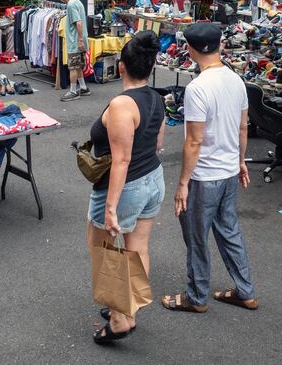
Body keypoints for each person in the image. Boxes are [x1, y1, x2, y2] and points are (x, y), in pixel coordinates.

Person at [162, 22, 258, 314]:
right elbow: (243, 128)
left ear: (190, 50)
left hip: (204, 176)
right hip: (229, 171)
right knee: (229, 231)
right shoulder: (236, 80)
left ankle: (197, 296)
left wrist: (182, 184)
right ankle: (246, 291)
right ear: (220, 46)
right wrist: (241, 161)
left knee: (196, 236)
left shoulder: (197, 88)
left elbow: (193, 141)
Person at [86, 31, 166, 344]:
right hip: (152, 179)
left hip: (126, 187)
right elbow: (157, 142)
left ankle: (120, 320)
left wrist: (109, 208)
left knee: (104, 251)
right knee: (137, 249)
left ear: (121, 67)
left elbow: (121, 160)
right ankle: (128, 310)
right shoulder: (156, 97)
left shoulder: (122, 104)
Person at [56, 0, 90, 101]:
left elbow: (78, 23)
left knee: (73, 67)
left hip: (75, 40)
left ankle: (73, 91)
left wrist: (79, 41)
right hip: (80, 39)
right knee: (78, 65)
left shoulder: (70, 5)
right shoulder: (77, 1)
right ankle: (83, 87)